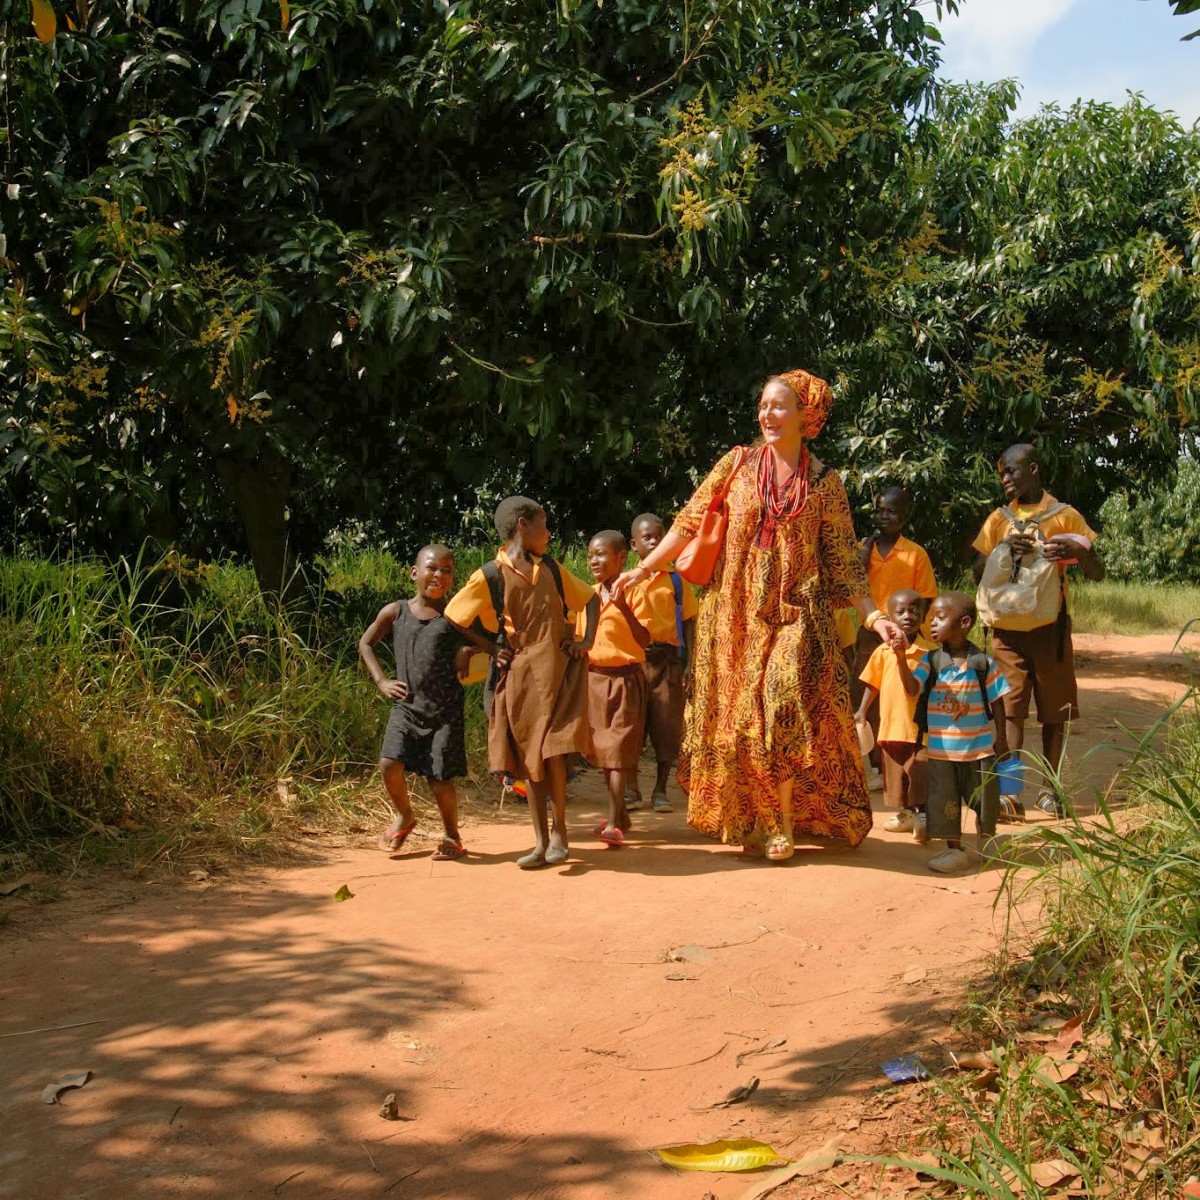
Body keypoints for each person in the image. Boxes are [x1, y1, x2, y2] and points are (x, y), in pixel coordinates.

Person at [615, 370, 908, 862]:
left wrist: (873, 615)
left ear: (804, 416)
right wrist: (644, 569)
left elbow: (839, 557)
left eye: (779, 406)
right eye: (764, 405)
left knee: (782, 707)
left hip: (798, 613)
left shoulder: (826, 483)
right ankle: (769, 820)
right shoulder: (737, 464)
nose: (768, 414)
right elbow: (689, 521)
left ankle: (784, 820)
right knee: (746, 723)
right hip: (735, 618)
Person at [445, 497, 599, 869]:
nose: (547, 535)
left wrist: (586, 641)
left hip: (558, 672)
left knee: (555, 752)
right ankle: (540, 840)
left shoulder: (552, 569)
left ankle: (560, 831)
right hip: (520, 679)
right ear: (522, 526)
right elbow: (454, 616)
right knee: (531, 760)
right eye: (542, 527)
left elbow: (590, 599)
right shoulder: (490, 576)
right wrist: (490, 646)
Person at [971, 444, 1102, 816]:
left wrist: (1079, 554)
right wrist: (1000, 549)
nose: (1005, 479)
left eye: (1011, 471)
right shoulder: (998, 519)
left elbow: (1096, 571)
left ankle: (1051, 790)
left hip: (1050, 629)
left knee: (1053, 713)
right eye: (1001, 474)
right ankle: (1012, 794)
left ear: (1033, 469)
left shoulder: (1063, 517)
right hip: (1006, 631)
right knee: (1010, 711)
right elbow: (977, 574)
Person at [358, 545, 473, 861]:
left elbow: (487, 643)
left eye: (447, 570)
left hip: (445, 711)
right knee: (388, 764)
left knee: (439, 779)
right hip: (406, 707)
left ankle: (452, 835)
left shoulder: (454, 618)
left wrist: (467, 651)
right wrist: (382, 681)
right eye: (432, 568)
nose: (439, 575)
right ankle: (405, 815)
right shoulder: (395, 612)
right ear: (414, 572)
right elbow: (366, 643)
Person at [898, 592, 1011, 874]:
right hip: (942, 752)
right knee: (945, 801)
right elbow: (913, 689)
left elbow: (998, 702)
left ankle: (987, 839)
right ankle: (954, 849)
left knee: (985, 799)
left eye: (939, 617)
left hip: (980, 750)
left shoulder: (983, 663)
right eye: (931, 617)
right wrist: (900, 657)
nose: (931, 624)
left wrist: (1003, 739)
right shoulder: (930, 661)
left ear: (963, 622)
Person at [852, 487, 938, 789]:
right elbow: (851, 583)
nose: (883, 516)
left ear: (905, 516)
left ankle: (906, 764)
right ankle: (874, 765)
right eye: (879, 510)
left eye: (890, 511)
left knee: (901, 699)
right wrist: (862, 555)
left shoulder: (915, 554)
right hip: (870, 634)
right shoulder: (864, 547)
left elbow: (926, 599)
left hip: (905, 639)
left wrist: (913, 636)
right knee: (867, 698)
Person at [580, 530, 653, 846]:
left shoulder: (636, 591)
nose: (594, 561)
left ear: (621, 558)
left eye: (601, 554)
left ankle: (612, 822)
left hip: (625, 679)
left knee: (619, 751)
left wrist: (622, 606)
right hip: (594, 680)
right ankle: (620, 814)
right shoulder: (588, 596)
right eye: (590, 555)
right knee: (601, 749)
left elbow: (645, 639)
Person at [626, 513, 698, 814]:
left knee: (666, 726)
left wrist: (691, 662)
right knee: (630, 726)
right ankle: (630, 790)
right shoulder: (626, 582)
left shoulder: (677, 582)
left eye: (659, 535)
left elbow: (690, 622)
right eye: (647, 537)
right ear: (633, 545)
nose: (655, 541)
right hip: (634, 663)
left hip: (667, 662)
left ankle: (660, 789)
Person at [855, 589, 935, 843]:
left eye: (914, 611)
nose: (907, 616)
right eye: (900, 612)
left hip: (919, 726)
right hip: (890, 725)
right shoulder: (882, 651)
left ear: (924, 617)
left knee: (919, 771)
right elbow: (872, 683)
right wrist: (862, 710)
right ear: (890, 617)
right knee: (896, 775)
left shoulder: (931, 652)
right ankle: (908, 814)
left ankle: (923, 814)